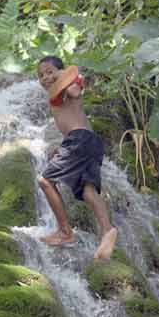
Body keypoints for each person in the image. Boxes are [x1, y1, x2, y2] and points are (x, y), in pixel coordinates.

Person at [37, 55, 117, 259]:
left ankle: (65, 232)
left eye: (50, 72)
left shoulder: (68, 88)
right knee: (88, 191)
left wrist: (73, 81)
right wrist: (64, 147)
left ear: (61, 72)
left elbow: (74, 90)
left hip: (79, 140)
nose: (45, 77)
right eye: (41, 75)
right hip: (88, 142)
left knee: (45, 180)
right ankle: (108, 230)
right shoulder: (56, 96)